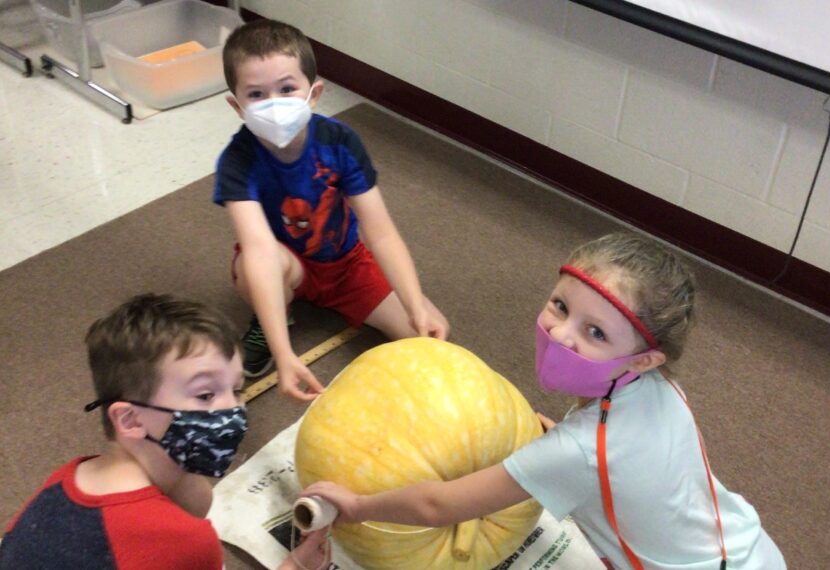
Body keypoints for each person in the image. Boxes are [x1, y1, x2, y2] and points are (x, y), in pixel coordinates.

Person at [301, 233, 787, 569]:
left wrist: (358, 506)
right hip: (752, 550)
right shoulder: (663, 389)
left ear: (643, 359)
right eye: (561, 306)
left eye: (595, 332)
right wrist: (563, 443)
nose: (560, 334)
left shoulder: (577, 453)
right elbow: (630, 466)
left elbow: (436, 505)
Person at [0, 293, 329, 570]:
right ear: (130, 419)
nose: (234, 410)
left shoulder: (68, 478)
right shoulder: (182, 540)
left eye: (237, 390)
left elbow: (195, 500)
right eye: (205, 395)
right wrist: (295, 565)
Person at [215, 19, 449, 401]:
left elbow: (381, 233)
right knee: (254, 268)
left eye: (287, 89)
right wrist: (284, 353)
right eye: (256, 94)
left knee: (431, 335)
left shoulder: (339, 143)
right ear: (236, 106)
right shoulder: (236, 161)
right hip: (283, 264)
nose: (274, 103)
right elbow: (258, 251)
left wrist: (414, 304)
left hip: (346, 266)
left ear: (314, 93)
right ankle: (272, 317)